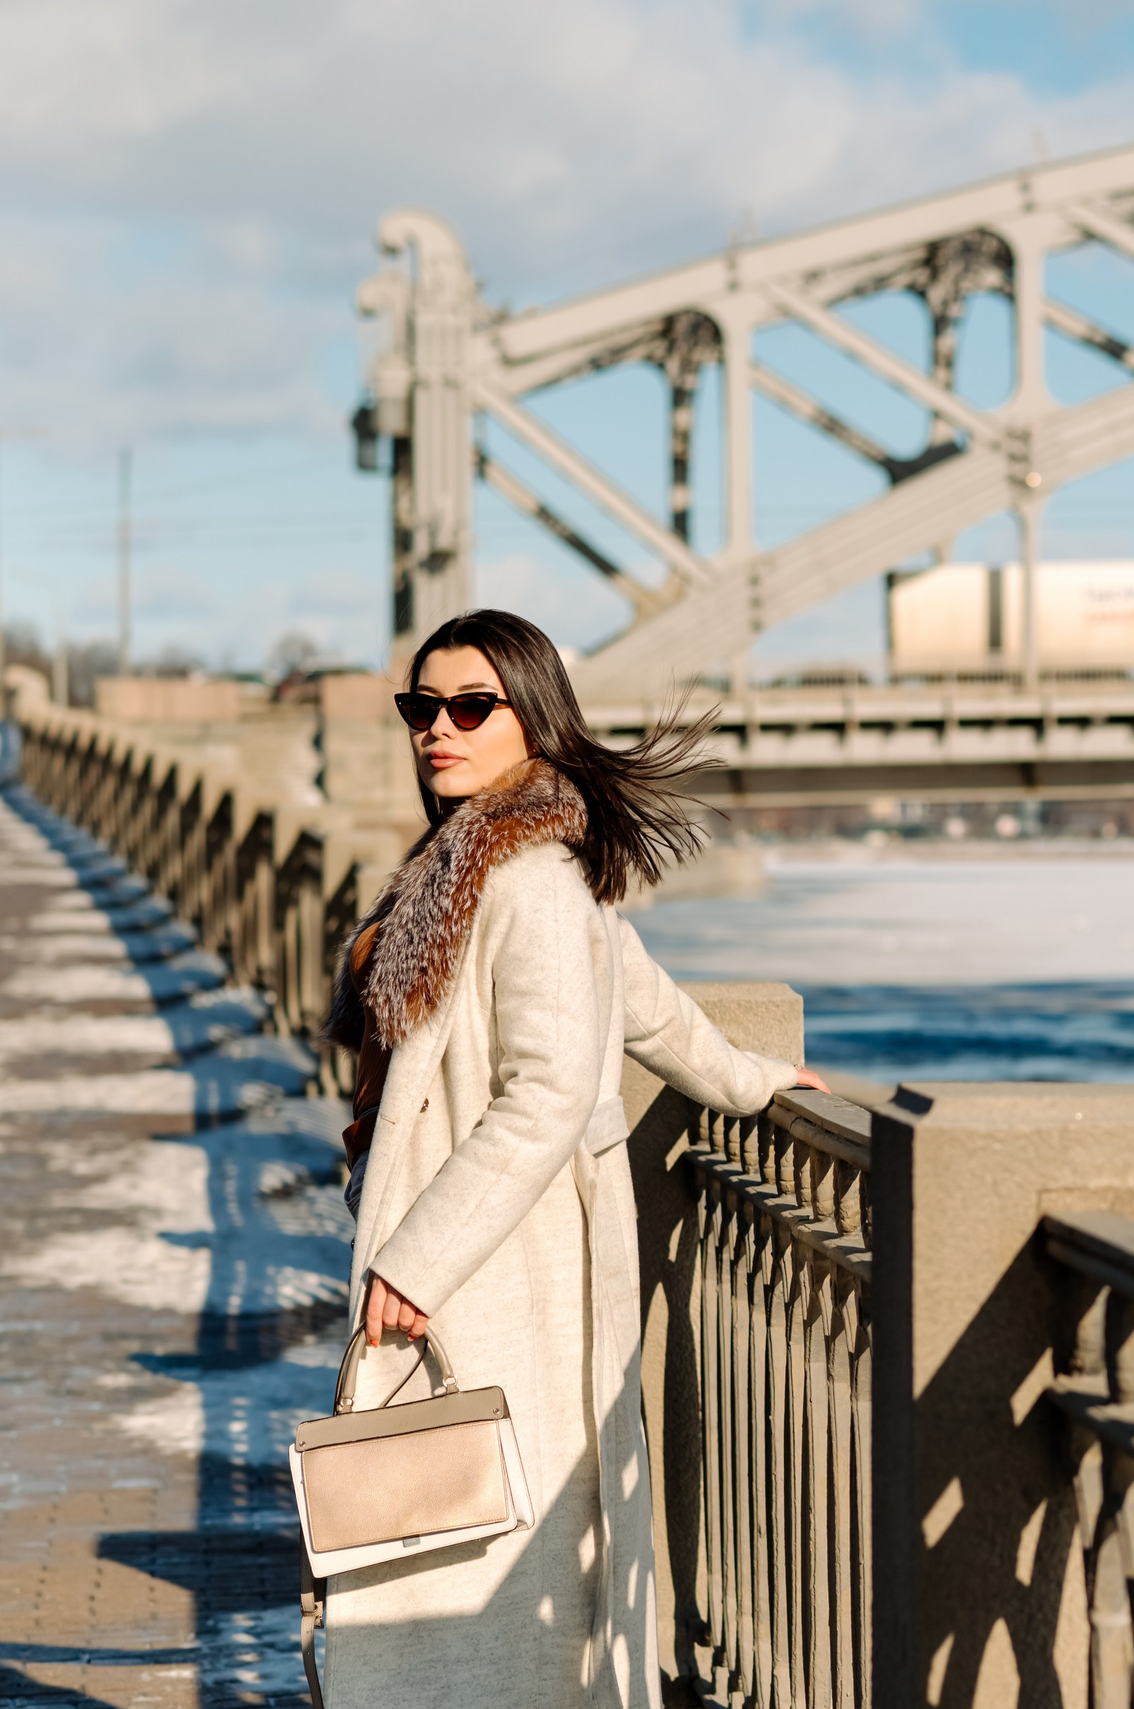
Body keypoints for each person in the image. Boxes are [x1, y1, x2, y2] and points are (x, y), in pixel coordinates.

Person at [319, 609, 824, 1708]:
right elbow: (634, 990)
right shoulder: (480, 864)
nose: (436, 729)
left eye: (469, 706)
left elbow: (546, 1089)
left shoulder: (529, 880)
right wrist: (743, 1074)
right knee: (464, 1553)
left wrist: (415, 1259)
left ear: (533, 721)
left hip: (493, 1270)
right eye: (421, 706)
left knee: (479, 1563)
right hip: (479, 1265)